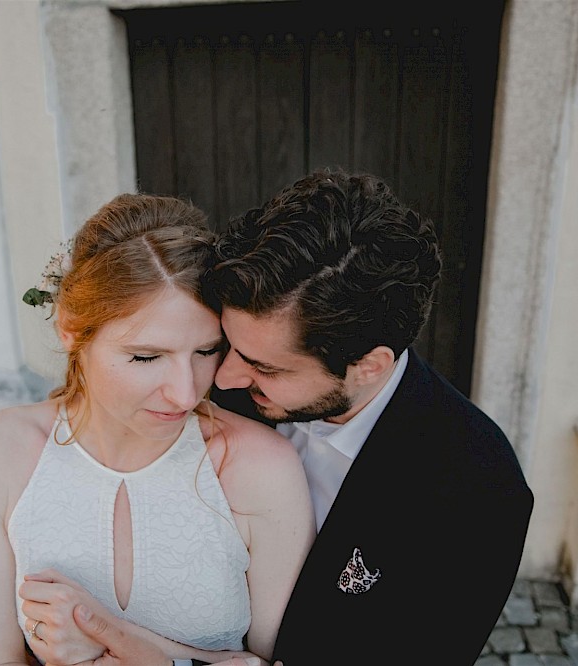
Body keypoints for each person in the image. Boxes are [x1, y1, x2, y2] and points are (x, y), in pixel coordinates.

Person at [47, 169, 534, 665]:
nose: (223, 379)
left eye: (263, 366)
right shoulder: (197, 388)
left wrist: (133, 649)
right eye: (226, 346)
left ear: (368, 367)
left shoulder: (477, 491)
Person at [0, 193, 315, 665]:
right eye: (146, 357)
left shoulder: (260, 468)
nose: (187, 395)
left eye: (207, 351)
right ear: (70, 328)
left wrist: (109, 639)